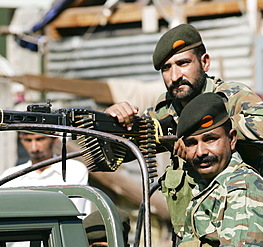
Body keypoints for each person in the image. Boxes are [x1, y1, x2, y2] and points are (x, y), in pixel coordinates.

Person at [104, 23, 263, 235]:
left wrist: (209, 131)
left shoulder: (231, 97)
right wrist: (112, 124)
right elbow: (123, 152)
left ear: (205, 62)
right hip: (191, 229)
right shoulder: (166, 108)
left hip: (241, 223)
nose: (175, 76)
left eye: (183, 63)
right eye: (166, 68)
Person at [175, 93, 263, 246]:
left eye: (210, 139)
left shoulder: (241, 187)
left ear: (232, 139)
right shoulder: (207, 187)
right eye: (191, 143)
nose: (201, 152)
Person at [0, 131, 90, 214]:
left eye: (40, 139)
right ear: (21, 139)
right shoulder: (10, 176)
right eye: (28, 140)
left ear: (54, 138)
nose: (34, 148)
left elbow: (74, 214)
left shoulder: (74, 170)